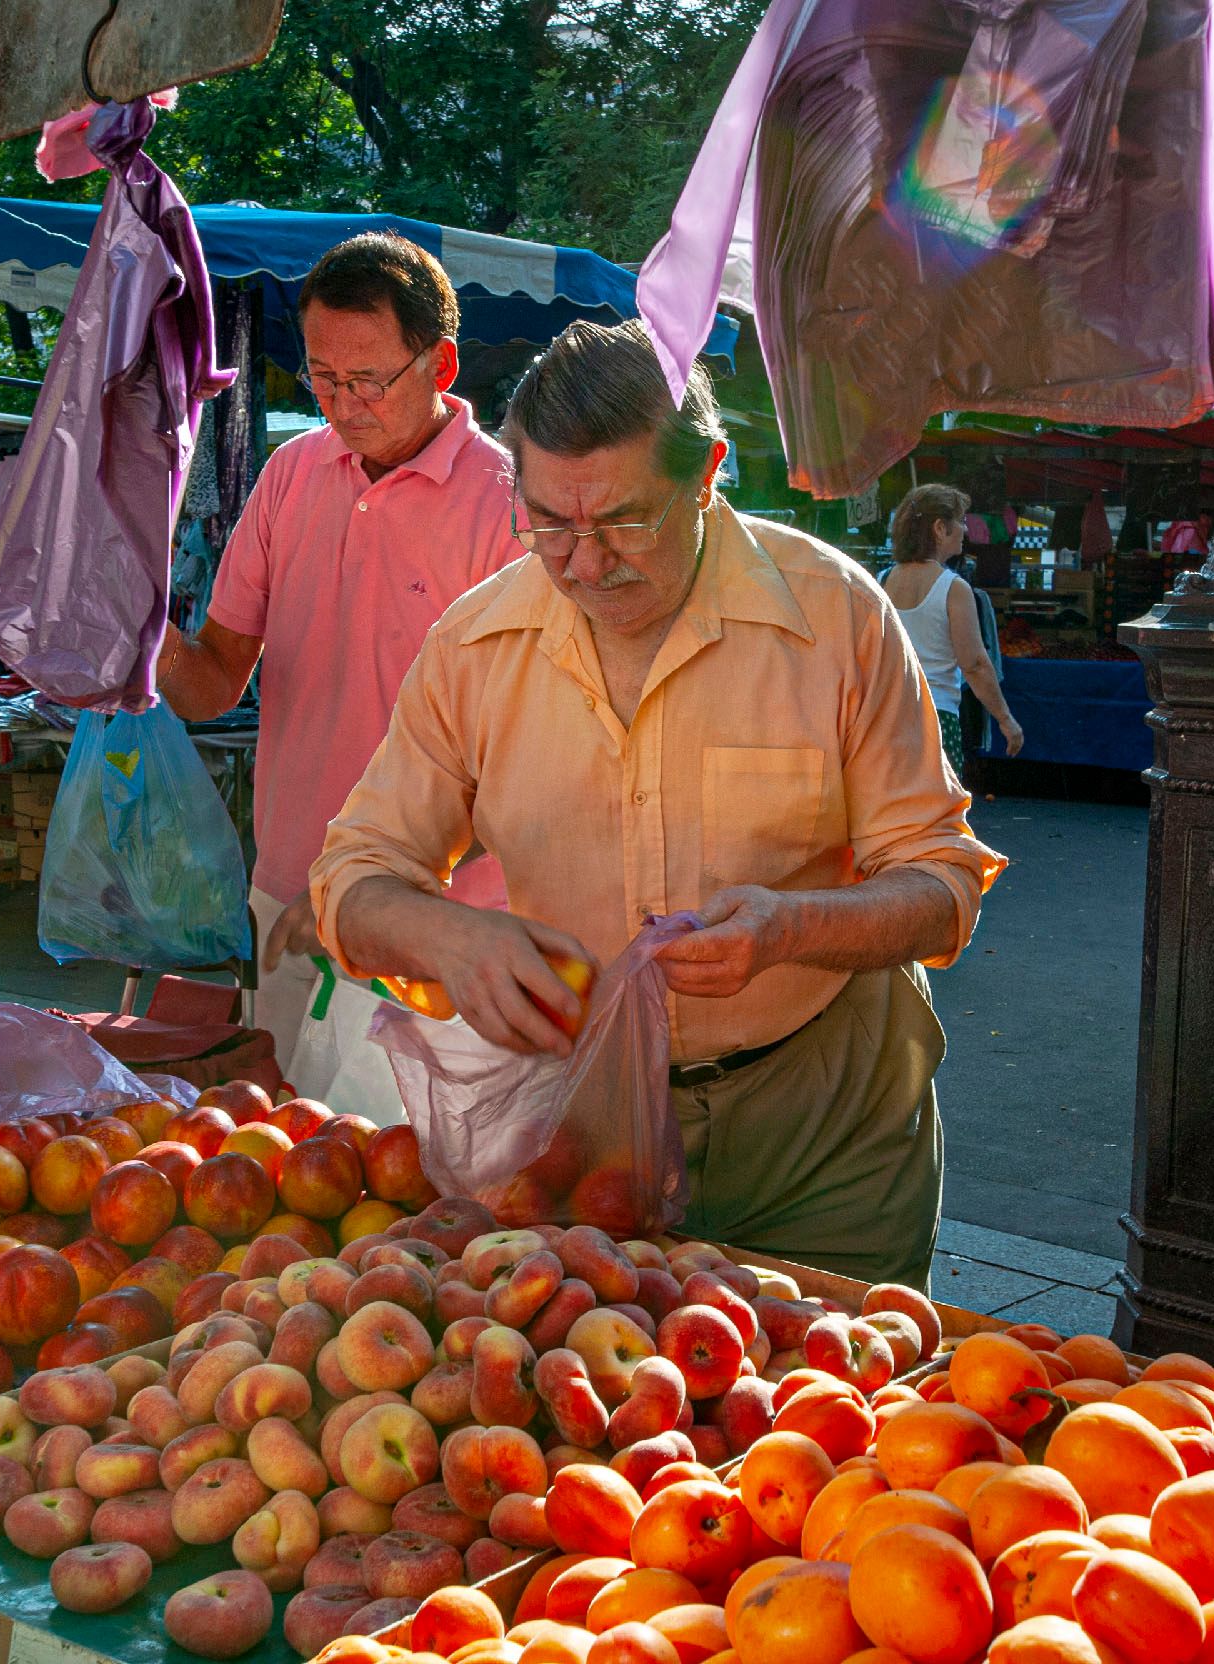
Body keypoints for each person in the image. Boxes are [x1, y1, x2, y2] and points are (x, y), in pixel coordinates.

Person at [312, 321, 1006, 1284]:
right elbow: (353, 878)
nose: (586, 564)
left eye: (627, 522)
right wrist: (449, 940)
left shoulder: (836, 617)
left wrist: (791, 927)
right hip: (587, 1135)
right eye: (550, 523)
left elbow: (941, 886)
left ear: (709, 472)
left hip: (827, 1128)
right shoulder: (475, 646)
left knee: (836, 1412)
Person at [157, 234, 518, 1038]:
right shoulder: (290, 475)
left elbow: (530, 763)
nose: (344, 403)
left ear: (441, 365)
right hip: (287, 890)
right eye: (322, 377)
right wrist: (141, 632)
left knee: (422, 1156)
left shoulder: (511, 509)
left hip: (438, 921)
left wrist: (378, 896)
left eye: (368, 381)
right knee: (276, 1142)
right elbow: (215, 680)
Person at [882, 484, 1023, 770]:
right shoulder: (953, 588)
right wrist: (1006, 719)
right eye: (960, 521)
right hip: (936, 718)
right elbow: (974, 663)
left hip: (887, 717)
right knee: (938, 811)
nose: (965, 529)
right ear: (939, 528)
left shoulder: (882, 580)